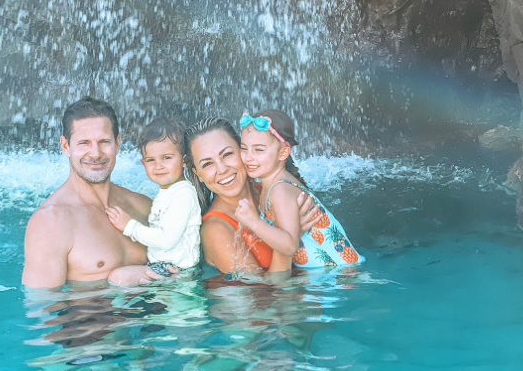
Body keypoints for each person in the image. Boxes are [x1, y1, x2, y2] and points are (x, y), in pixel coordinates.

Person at [22, 97, 167, 289]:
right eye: (84, 143)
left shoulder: (143, 205)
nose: (96, 153)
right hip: (94, 318)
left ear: (118, 143)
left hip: (156, 316)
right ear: (66, 146)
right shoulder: (50, 223)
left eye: (104, 141)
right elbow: (42, 307)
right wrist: (117, 285)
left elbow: (183, 266)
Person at [184, 117, 319, 276]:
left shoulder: (272, 189)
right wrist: (290, 239)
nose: (221, 169)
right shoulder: (216, 230)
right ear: (197, 173)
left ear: (243, 151)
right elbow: (263, 294)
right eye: (207, 164)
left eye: (227, 154)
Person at [236, 109, 364, 271]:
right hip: (330, 277)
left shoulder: (280, 190)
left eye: (259, 150)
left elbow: (289, 246)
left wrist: (254, 222)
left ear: (283, 153)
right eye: (244, 148)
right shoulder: (272, 184)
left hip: (341, 276)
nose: (248, 157)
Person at [104, 117, 201, 274]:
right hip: (166, 268)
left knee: (118, 278)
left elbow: (167, 240)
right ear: (143, 164)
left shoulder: (183, 194)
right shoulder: (168, 192)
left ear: (185, 160)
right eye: (151, 160)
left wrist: (129, 226)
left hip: (178, 272)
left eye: (166, 158)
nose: (158, 166)